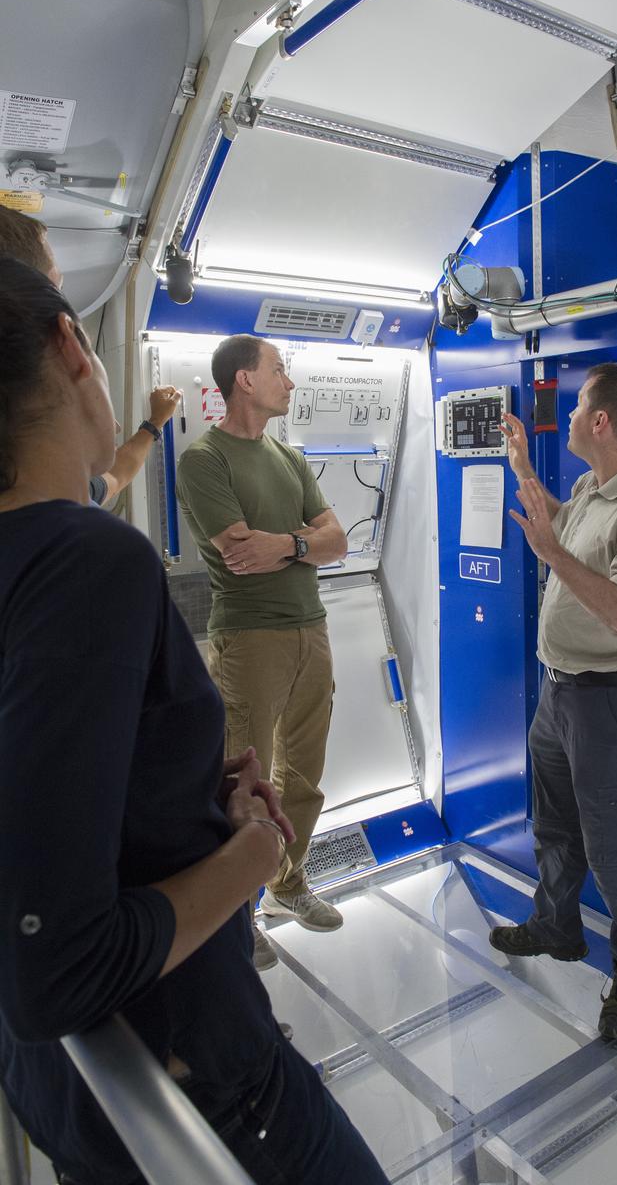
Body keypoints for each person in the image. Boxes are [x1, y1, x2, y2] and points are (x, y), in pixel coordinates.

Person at [0, 257, 390, 1185]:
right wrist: (251, 856)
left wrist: (188, 797)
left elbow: (43, 798)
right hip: (195, 1090)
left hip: (71, 1096)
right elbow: (53, 968)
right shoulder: (90, 561)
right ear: (69, 345)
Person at [490, 364, 617, 1044]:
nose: (569, 415)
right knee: (556, 826)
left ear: (601, 422)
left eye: (577, 406)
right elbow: (562, 526)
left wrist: (548, 553)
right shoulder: (591, 485)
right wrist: (520, 467)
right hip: (561, 691)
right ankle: (556, 925)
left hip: (615, 702)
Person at [176, 334, 348, 966]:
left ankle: (287, 885)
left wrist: (291, 545)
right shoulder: (204, 459)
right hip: (250, 638)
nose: (290, 382)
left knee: (304, 775)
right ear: (243, 381)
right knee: (244, 782)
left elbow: (337, 542)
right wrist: (302, 541)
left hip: (312, 629)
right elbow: (238, 552)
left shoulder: (290, 456)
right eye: (280, 370)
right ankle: (234, 916)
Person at [0, 202, 181, 505]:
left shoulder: (68, 487)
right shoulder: (88, 541)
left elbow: (114, 478)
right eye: (54, 288)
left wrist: (153, 424)